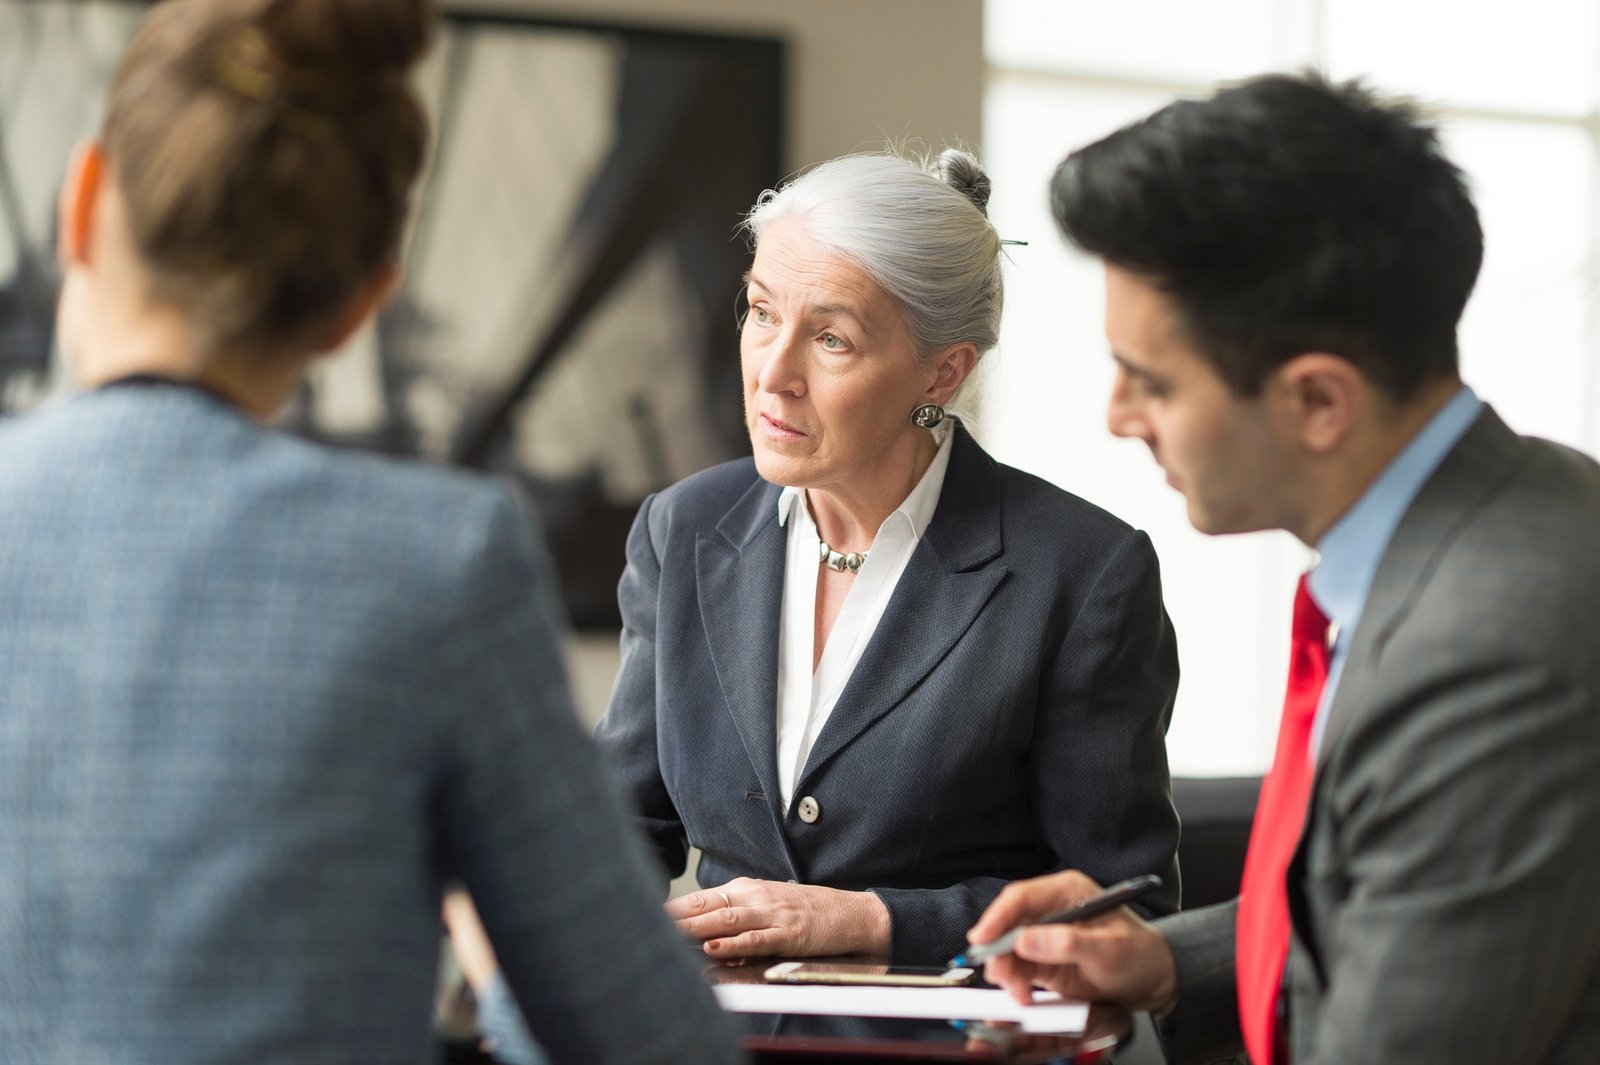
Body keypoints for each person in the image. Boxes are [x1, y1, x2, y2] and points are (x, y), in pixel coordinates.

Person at [0, 2, 741, 1063]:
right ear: (361, 304)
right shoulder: (439, 559)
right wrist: (491, 948)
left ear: (79, 205)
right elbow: (647, 1043)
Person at [967, 72, 1600, 1064]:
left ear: (1316, 401)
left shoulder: (1484, 647)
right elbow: (1399, 903)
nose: (1117, 417)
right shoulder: (1521, 501)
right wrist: (1167, 961)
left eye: (1152, 381)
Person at [600, 148, 1182, 966]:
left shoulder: (1084, 574)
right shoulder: (681, 526)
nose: (773, 373)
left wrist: (872, 920)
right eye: (761, 312)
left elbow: (1126, 906)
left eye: (831, 338)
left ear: (943, 372)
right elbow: (620, 826)